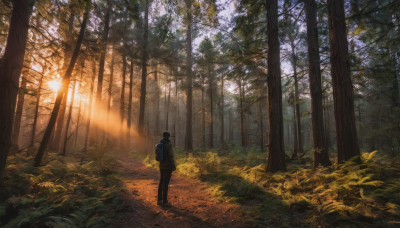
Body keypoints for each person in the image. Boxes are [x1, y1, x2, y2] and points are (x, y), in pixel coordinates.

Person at [157, 131, 176, 207]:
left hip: (161, 166)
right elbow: (171, 156)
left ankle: (159, 200)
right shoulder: (168, 144)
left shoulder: (159, 144)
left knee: (161, 182)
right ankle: (165, 201)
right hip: (168, 166)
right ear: (168, 136)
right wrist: (173, 165)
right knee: (166, 183)